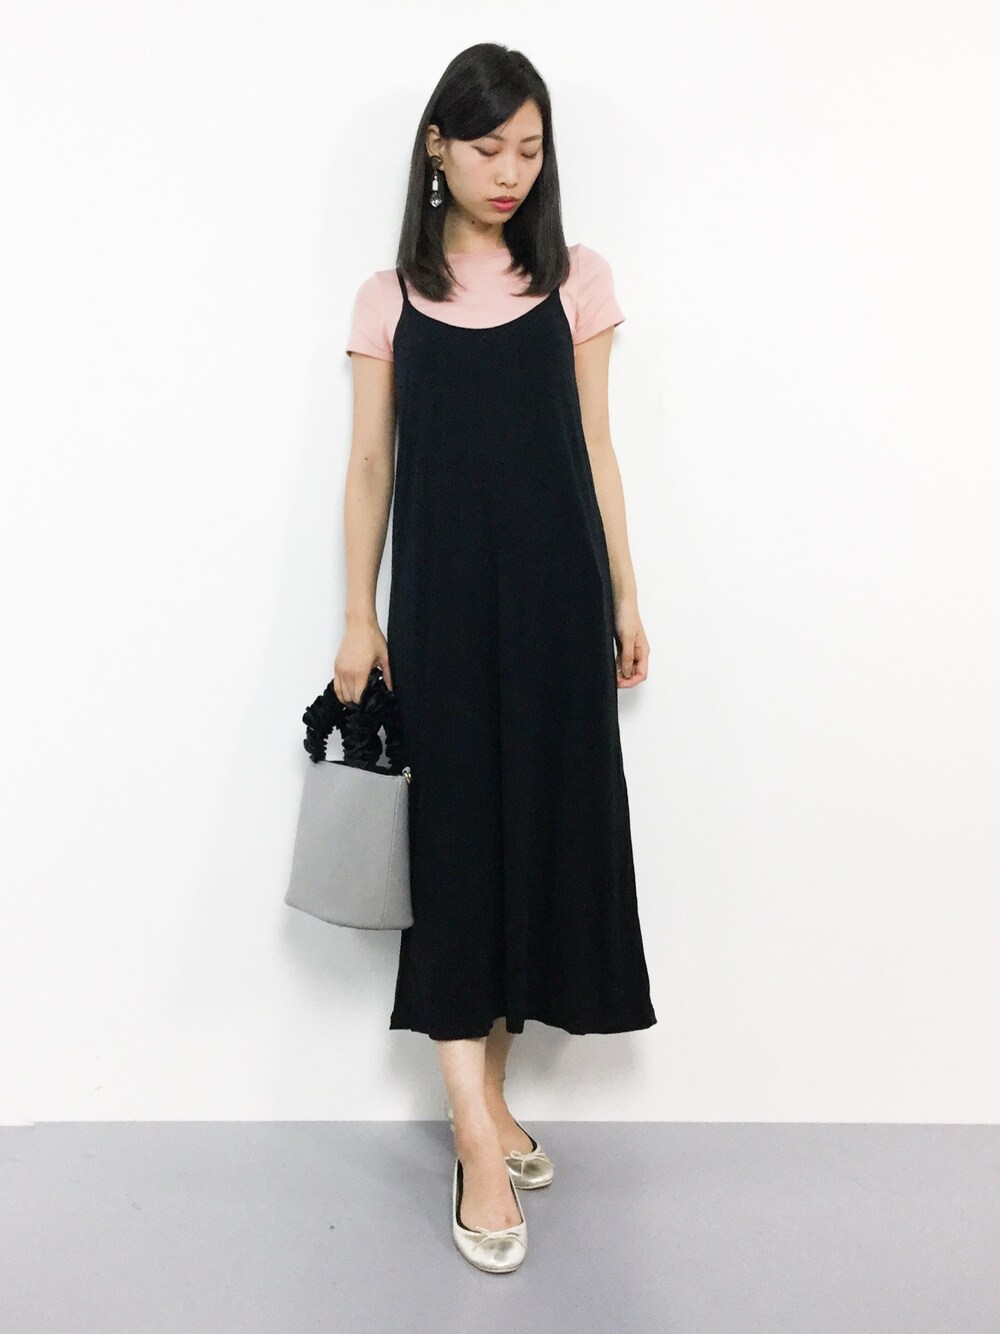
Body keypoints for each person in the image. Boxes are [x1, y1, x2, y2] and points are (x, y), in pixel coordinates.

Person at [334, 42, 656, 1273]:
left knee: (532, 844)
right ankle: (474, 1134)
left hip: (558, 605)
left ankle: (491, 1102)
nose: (510, 170)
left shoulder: (579, 278)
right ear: (437, 147)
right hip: (441, 612)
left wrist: (624, 591)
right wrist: (359, 616)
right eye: (486, 147)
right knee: (454, 852)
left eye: (529, 148)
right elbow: (371, 466)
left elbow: (596, 448)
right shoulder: (387, 297)